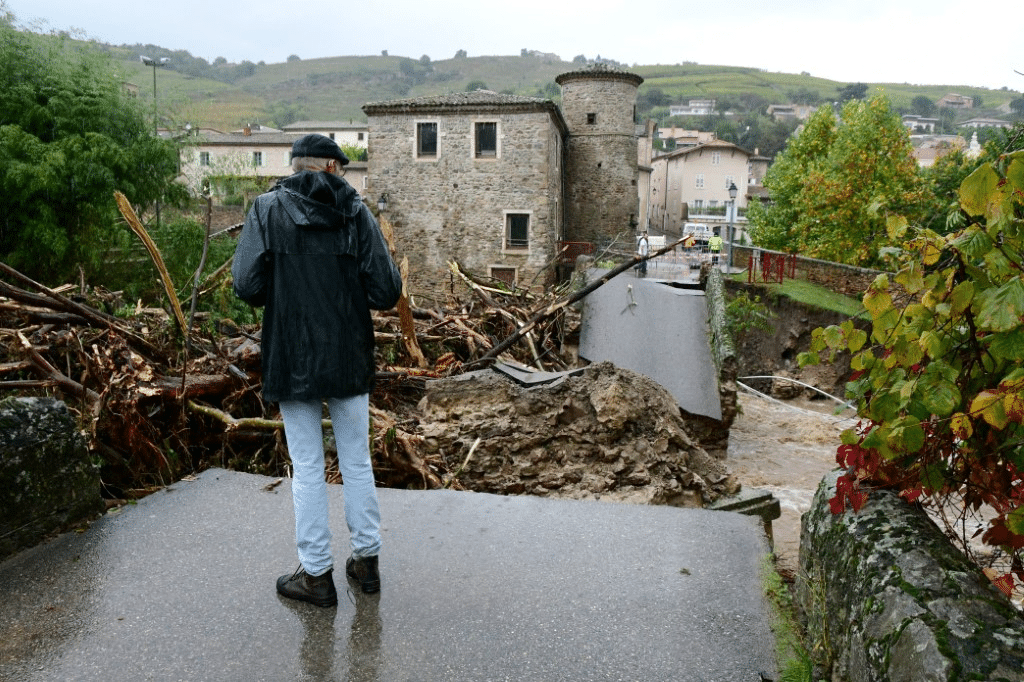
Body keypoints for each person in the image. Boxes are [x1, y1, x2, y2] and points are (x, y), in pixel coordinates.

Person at [232, 133, 403, 606]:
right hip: (349, 352)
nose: (344, 176)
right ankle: (366, 566)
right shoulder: (357, 212)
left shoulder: (268, 210)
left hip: (291, 351)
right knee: (356, 460)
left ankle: (316, 577)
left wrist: (285, 291)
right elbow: (387, 291)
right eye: (341, 169)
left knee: (307, 467)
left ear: (296, 166)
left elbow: (245, 284)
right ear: (328, 167)